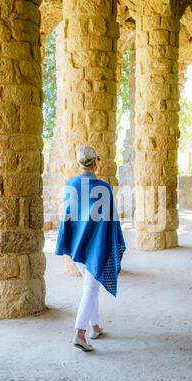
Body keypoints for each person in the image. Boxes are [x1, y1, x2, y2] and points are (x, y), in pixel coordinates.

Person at [55, 146, 126, 352]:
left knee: (90, 287)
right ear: (97, 161)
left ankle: (95, 327)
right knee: (90, 289)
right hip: (95, 247)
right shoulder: (103, 188)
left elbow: (69, 217)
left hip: (77, 246)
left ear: (78, 163)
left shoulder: (70, 184)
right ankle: (79, 333)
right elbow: (109, 222)